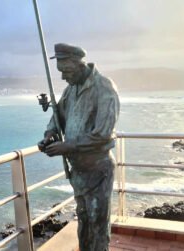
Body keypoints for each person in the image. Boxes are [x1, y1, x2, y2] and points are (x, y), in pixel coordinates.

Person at [38, 43, 120, 251]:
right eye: (60, 72)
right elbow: (58, 118)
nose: (64, 77)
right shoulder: (70, 90)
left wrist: (68, 146)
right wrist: (50, 135)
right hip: (79, 173)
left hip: (98, 170)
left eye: (66, 71)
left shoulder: (104, 87)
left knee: (98, 224)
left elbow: (103, 134)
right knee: (84, 221)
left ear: (79, 64)